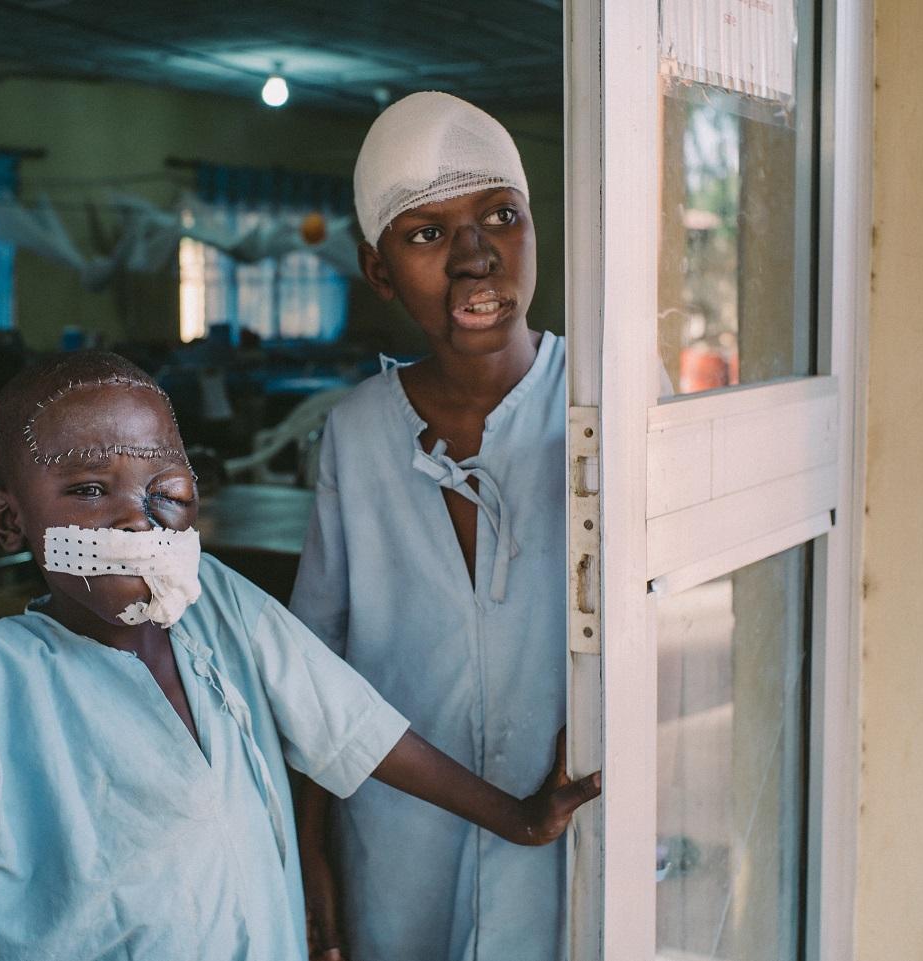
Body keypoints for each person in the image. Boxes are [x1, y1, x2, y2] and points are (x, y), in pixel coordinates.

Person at [0, 350, 599, 961]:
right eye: (85, 491)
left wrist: (514, 818)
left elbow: (356, 728)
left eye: (166, 494)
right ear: (10, 523)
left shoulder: (218, 603)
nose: (133, 520)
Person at [289, 91, 573, 961]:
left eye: (500, 216)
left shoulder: (598, 407)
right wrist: (310, 855)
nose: (476, 257)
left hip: (573, 839)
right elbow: (313, 673)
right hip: (395, 840)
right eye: (426, 234)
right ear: (379, 272)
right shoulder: (359, 431)